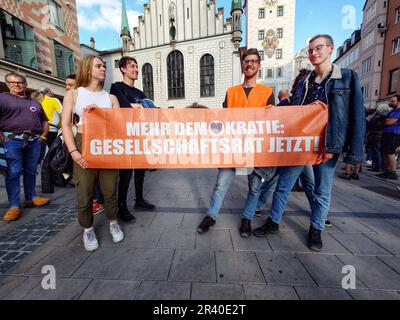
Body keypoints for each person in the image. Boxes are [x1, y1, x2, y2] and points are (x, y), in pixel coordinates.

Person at [253, 34, 365, 251]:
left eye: (318, 48)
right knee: (284, 185)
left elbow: (357, 116)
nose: (314, 53)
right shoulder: (305, 81)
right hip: (301, 143)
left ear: (330, 49)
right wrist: (276, 108)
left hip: (328, 143)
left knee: (322, 190)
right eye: (310, 50)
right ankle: (273, 221)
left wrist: (355, 154)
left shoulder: (347, 77)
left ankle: (316, 228)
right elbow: (297, 109)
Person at [197, 48, 277, 238]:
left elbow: (271, 122)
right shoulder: (231, 92)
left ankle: (247, 219)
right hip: (232, 147)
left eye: (253, 61)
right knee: (220, 184)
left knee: (255, 187)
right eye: (246, 61)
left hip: (254, 148)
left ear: (258, 65)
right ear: (242, 65)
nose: (249, 64)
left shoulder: (267, 92)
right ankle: (211, 215)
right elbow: (223, 119)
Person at [62, 55, 124, 251]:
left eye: (104, 66)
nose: (103, 68)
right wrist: (73, 150)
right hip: (83, 143)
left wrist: (101, 113)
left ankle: (113, 222)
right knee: (85, 190)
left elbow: (120, 126)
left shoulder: (111, 98)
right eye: (98, 65)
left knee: (110, 189)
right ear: (88, 69)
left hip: (107, 146)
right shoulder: (74, 94)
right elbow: (64, 124)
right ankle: (87, 228)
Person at [110, 56, 156, 223]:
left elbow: (150, 111)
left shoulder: (139, 92)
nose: (135, 69)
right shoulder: (116, 87)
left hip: (140, 135)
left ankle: (139, 199)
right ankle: (122, 207)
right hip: (125, 136)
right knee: (126, 174)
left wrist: (138, 108)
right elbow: (124, 109)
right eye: (132, 66)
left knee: (141, 171)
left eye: (136, 67)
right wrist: (139, 107)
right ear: (123, 69)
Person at [0, 72, 50, 222]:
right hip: (12, 140)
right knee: (13, 172)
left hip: (34, 140)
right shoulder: (2, 98)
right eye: (13, 82)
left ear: (25, 84)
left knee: (31, 170)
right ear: (7, 84)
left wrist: (42, 136)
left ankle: (31, 197)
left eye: (20, 82)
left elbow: (45, 121)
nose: (17, 84)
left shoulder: (35, 102)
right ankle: (14, 205)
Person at [376, 95, 400, 180]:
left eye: (393, 101)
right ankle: (387, 171)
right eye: (390, 101)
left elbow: (389, 122)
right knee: (385, 152)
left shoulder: (398, 111)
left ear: (398, 102)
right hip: (387, 133)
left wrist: (385, 121)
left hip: (394, 134)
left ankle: (392, 172)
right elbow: (385, 121)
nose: (391, 102)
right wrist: (385, 121)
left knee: (390, 152)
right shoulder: (392, 111)